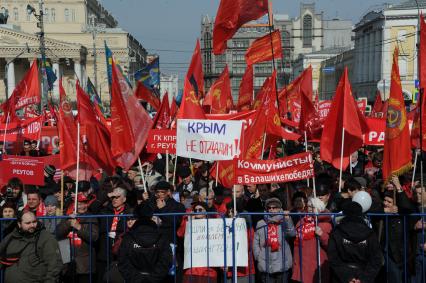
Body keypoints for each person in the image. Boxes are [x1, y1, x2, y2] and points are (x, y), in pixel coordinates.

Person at [0, 210, 63, 283]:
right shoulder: (11, 237)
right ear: (19, 224)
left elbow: (54, 265)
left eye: (34, 222)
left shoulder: (46, 238)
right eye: (28, 223)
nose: (32, 225)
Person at [327, 201, 382, 283]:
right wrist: (363, 278)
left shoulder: (337, 232)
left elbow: (333, 258)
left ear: (344, 213)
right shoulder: (370, 233)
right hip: (358, 274)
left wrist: (351, 277)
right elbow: (376, 259)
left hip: (344, 276)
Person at [118, 202, 172, 283]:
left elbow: (123, 262)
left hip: (136, 279)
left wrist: (138, 279)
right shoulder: (161, 237)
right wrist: (151, 278)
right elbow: (166, 261)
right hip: (154, 279)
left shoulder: (128, 237)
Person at [56, 193, 99, 283]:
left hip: (84, 262)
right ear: (74, 204)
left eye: (85, 203)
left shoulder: (91, 218)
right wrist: (68, 223)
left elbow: (94, 237)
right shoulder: (67, 216)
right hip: (67, 260)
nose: (82, 206)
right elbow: (58, 233)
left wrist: (79, 227)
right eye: (79, 203)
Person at [253, 197, 295, 283]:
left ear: (279, 208)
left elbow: (292, 234)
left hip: (282, 263)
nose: (271, 210)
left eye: (274, 207)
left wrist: (288, 220)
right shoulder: (261, 223)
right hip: (266, 264)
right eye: (269, 208)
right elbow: (255, 242)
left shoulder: (284, 220)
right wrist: (258, 256)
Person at [292, 197, 332, 283]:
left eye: (312, 207)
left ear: (319, 208)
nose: (309, 209)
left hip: (316, 265)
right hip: (301, 264)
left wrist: (322, 234)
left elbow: (330, 245)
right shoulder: (301, 222)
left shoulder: (325, 224)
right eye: (308, 206)